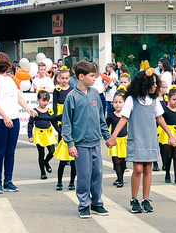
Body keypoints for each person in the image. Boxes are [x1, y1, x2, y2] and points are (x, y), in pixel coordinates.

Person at [107, 68, 176, 214]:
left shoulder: (154, 100)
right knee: (138, 169)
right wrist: (113, 136)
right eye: (153, 83)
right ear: (144, 83)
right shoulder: (131, 99)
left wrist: (171, 135)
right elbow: (123, 119)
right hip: (137, 138)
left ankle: (146, 199)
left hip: (150, 139)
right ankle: (134, 199)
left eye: (156, 84)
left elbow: (160, 118)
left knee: (148, 169)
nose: (155, 86)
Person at [63, 60, 110, 219]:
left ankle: (97, 203)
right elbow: (67, 123)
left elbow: (101, 118)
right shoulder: (72, 96)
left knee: (97, 174)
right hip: (80, 144)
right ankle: (84, 204)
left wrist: (107, 136)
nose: (95, 78)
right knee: (84, 176)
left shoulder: (95, 94)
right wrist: (70, 144)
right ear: (81, 76)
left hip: (95, 142)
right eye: (91, 76)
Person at [0, 52, 37, 194]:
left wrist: (28, 109)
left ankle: (8, 181)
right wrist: (5, 116)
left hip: (13, 118)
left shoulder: (10, 79)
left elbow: (17, 95)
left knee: (10, 152)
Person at [52, 69, 77, 190]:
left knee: (74, 162)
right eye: (62, 78)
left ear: (69, 78)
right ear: (59, 78)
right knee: (62, 139)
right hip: (60, 114)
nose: (64, 80)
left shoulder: (72, 90)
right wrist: (56, 119)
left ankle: (72, 182)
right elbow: (54, 104)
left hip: (70, 115)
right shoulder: (57, 90)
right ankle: (59, 181)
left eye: (66, 78)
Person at [158, 88, 176, 185]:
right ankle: (167, 174)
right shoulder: (165, 110)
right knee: (168, 155)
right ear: (169, 99)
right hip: (168, 132)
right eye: (174, 99)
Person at [32, 91, 58, 179]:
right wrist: (30, 135)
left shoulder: (49, 111)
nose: (45, 103)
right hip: (39, 134)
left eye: (47, 101)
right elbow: (30, 124)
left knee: (52, 151)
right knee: (41, 153)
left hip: (48, 133)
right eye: (43, 100)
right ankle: (43, 172)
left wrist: (60, 131)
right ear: (38, 100)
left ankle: (46, 162)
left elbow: (54, 122)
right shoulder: (34, 111)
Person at [106, 93, 128, 188]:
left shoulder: (127, 115)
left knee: (123, 161)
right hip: (115, 141)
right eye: (115, 102)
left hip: (124, 141)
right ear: (112, 104)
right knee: (116, 161)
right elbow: (105, 126)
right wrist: (108, 137)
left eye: (120, 102)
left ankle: (120, 177)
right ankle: (120, 179)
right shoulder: (111, 115)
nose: (117, 104)